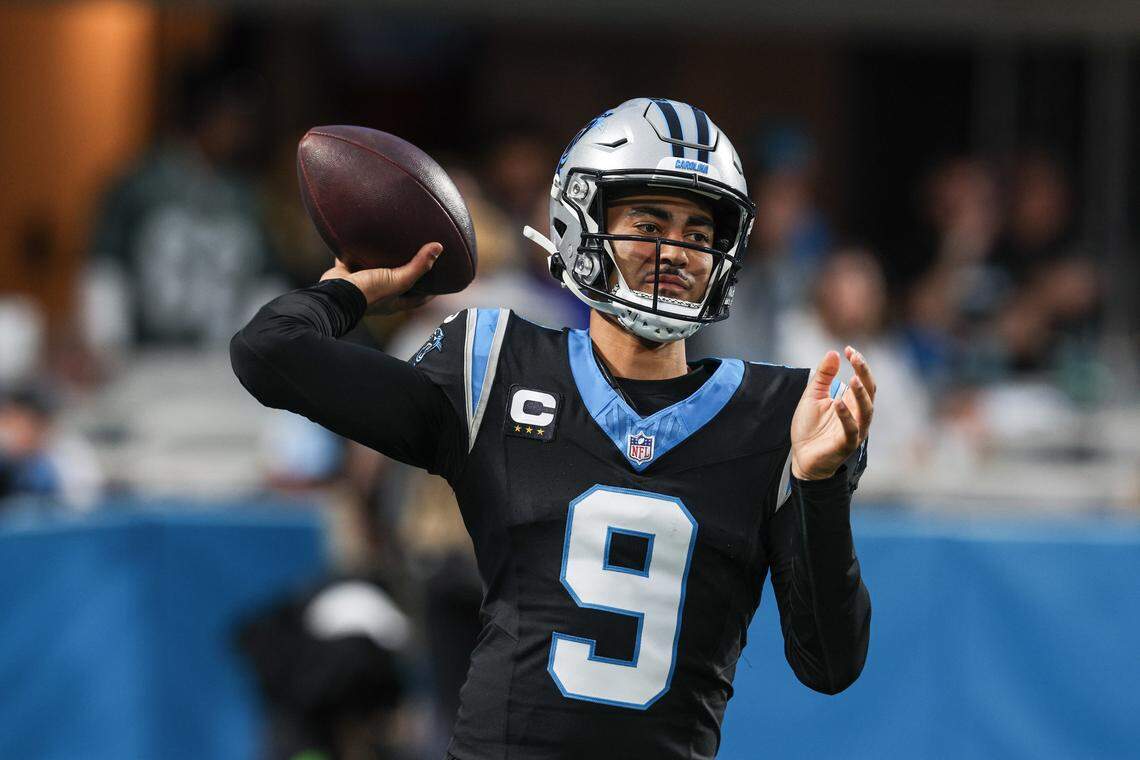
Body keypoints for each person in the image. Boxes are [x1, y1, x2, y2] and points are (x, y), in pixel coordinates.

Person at [232, 98, 875, 760]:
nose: (676, 249)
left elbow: (831, 664)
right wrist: (350, 292)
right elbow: (267, 354)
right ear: (581, 222)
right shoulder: (495, 365)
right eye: (649, 223)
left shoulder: (779, 414)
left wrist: (819, 487)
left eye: (697, 231)